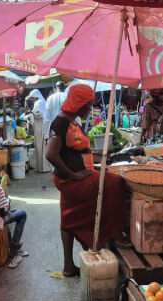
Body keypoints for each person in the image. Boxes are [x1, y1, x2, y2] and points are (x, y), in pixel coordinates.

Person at [46, 84, 127, 277]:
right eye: (88, 105)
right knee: (116, 183)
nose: (89, 108)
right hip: (71, 181)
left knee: (69, 219)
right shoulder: (61, 123)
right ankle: (114, 233)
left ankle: (69, 266)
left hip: (74, 178)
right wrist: (75, 175)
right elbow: (51, 154)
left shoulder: (70, 121)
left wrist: (91, 168)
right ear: (78, 103)